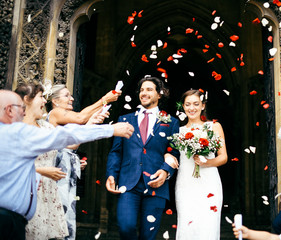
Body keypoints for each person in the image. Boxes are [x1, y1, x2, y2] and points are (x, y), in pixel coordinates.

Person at [0, 89, 134, 240]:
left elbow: (67, 140)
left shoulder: (37, 128)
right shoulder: (14, 133)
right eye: (20, 107)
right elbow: (66, 134)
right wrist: (110, 128)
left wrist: (92, 124)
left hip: (36, 203)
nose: (45, 101)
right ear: (10, 109)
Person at [106, 76, 180, 240]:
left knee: (148, 236)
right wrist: (111, 174)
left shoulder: (171, 122)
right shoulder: (124, 120)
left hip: (156, 184)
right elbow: (116, 151)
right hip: (129, 184)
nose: (144, 93)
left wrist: (165, 172)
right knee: (126, 226)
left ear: (159, 94)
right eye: (141, 90)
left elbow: (174, 152)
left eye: (149, 89)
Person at [45, 84, 120, 239]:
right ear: (55, 101)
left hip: (64, 173)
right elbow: (80, 117)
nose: (71, 98)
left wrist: (91, 123)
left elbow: (72, 144)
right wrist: (104, 100)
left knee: (65, 215)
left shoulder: (62, 120)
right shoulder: (56, 113)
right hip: (56, 173)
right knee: (58, 215)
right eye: (67, 95)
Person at [15, 83, 68, 239]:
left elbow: (71, 141)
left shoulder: (47, 128)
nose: (45, 101)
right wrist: (41, 171)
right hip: (25, 192)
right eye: (40, 97)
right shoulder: (13, 129)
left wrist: (92, 122)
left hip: (48, 194)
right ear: (26, 100)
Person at [175, 89, 227, 239]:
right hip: (185, 183)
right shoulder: (179, 131)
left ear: (203, 105)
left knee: (208, 226)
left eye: (196, 104)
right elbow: (172, 154)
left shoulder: (214, 127)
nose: (192, 108)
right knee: (186, 226)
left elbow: (223, 157)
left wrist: (207, 162)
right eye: (188, 104)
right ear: (183, 107)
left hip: (209, 182)